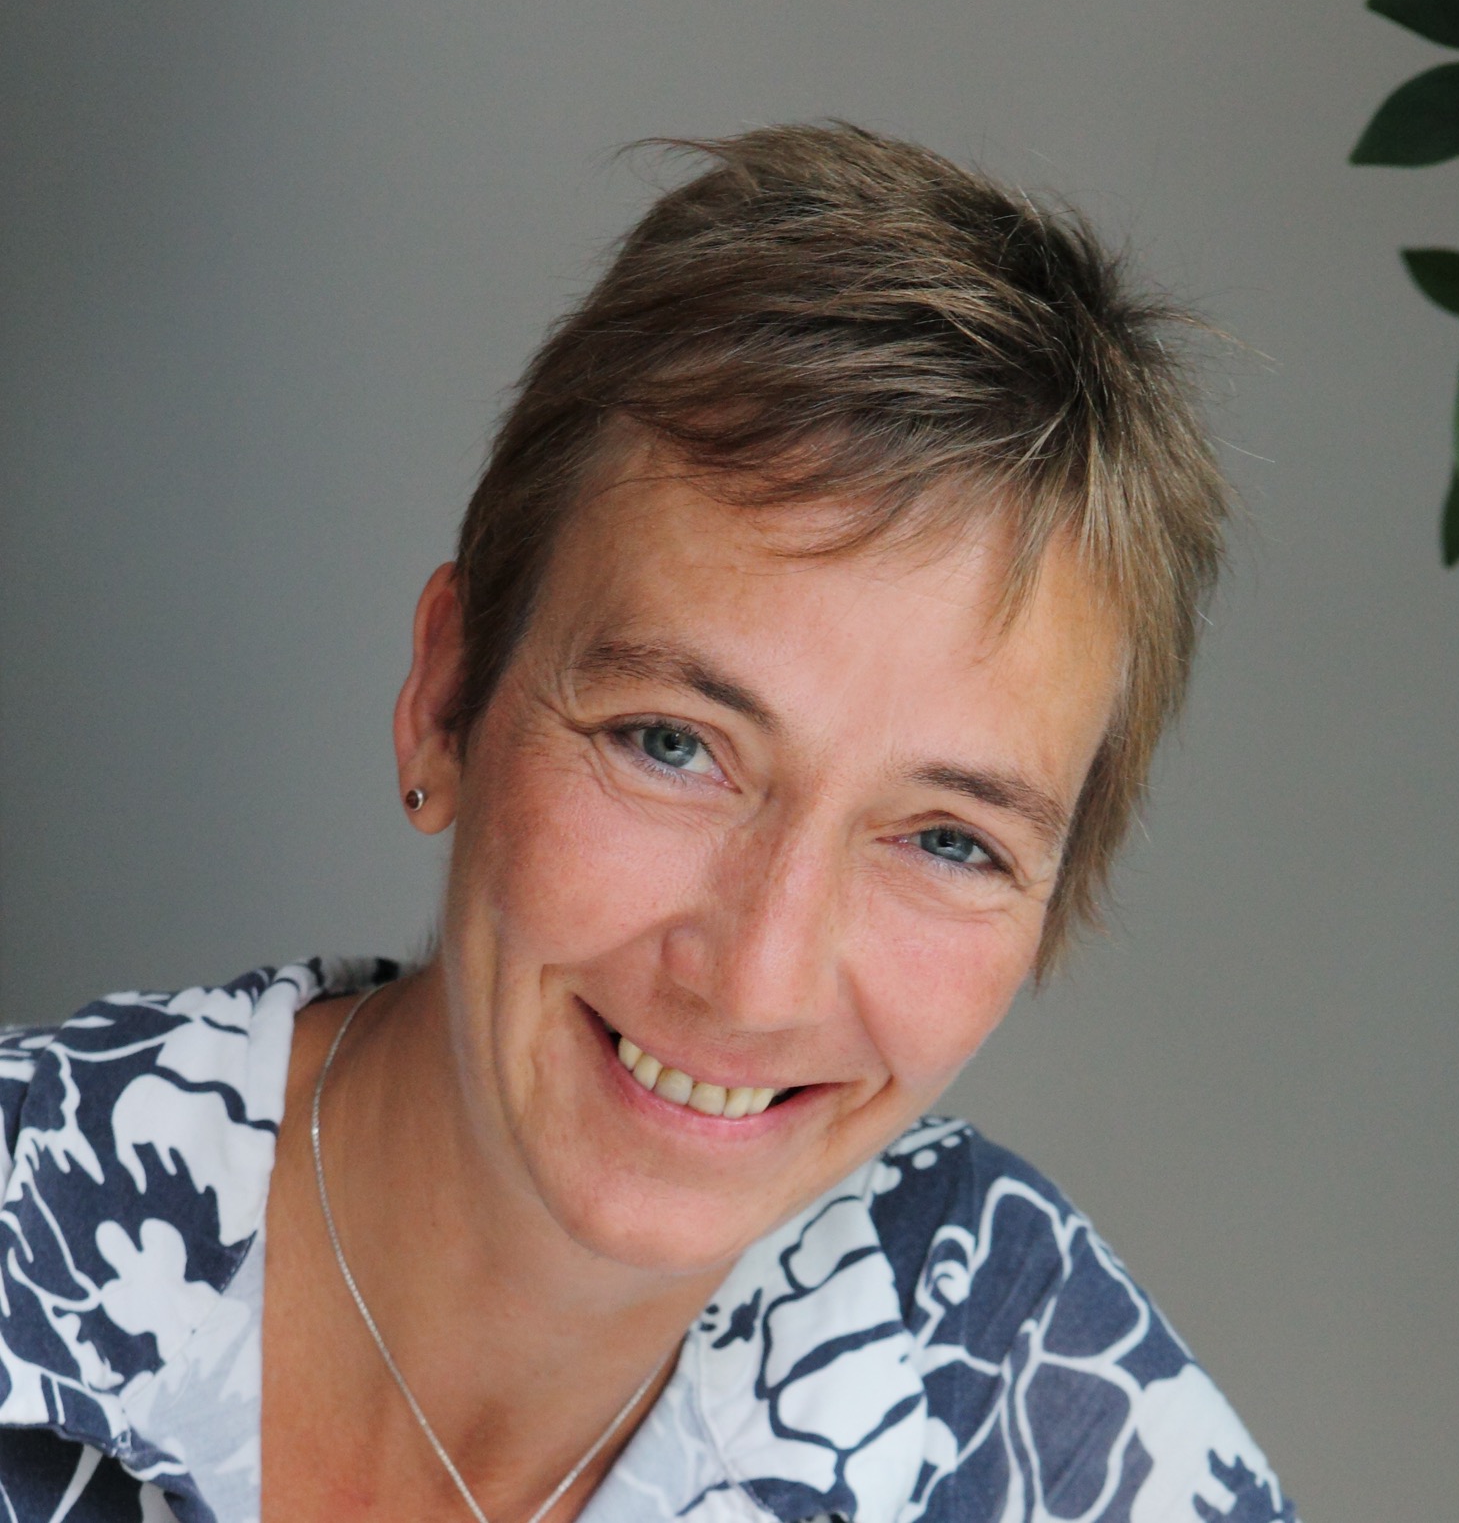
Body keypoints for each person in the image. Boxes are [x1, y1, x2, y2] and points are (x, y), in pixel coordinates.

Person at [0, 123, 1298, 1522]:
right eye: (672, 745)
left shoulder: (1069, 1444)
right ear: (447, 697)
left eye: (946, 840)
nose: (755, 980)